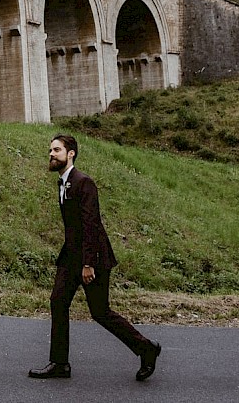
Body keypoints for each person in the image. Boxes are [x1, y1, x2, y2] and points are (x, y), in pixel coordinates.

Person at [29, 133, 162, 381]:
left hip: (93, 257)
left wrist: (88, 263)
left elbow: (91, 224)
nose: (51, 154)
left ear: (71, 154)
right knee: (58, 302)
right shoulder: (63, 183)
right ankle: (59, 363)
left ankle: (146, 348)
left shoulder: (84, 182)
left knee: (100, 312)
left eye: (56, 150)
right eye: (50, 151)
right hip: (71, 257)